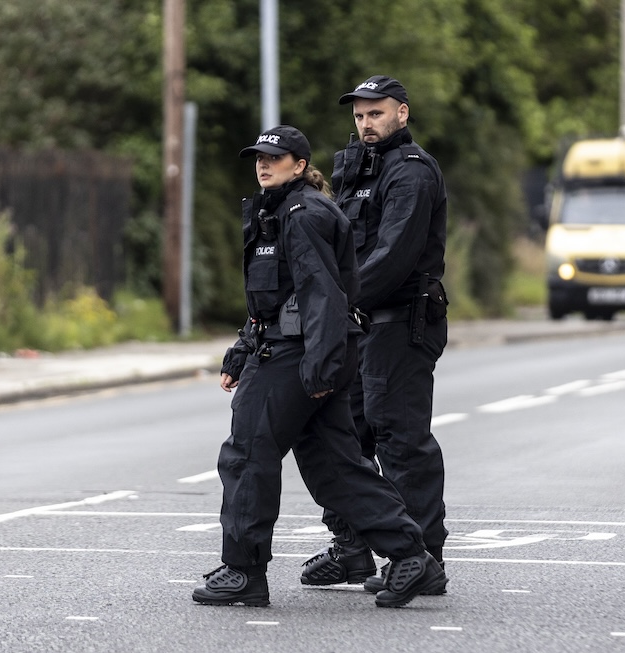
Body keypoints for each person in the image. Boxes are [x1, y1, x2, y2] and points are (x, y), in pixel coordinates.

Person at [191, 125, 445, 609]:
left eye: (276, 158)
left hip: (298, 356)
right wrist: (242, 349)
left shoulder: (303, 215)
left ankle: (244, 572)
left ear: (300, 165)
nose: (264, 164)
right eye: (259, 157)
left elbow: (322, 294)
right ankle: (410, 556)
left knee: (246, 455)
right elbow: (274, 298)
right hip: (305, 352)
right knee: (335, 469)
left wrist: (321, 369)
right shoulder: (278, 212)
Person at [300, 76, 449, 595]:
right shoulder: (353, 169)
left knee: (400, 440)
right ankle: (353, 549)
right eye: (360, 115)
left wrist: (338, 304)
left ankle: (423, 559)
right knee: (342, 436)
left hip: (403, 320)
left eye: (377, 114)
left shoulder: (411, 173)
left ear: (402, 114)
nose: (366, 124)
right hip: (361, 322)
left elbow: (394, 255)